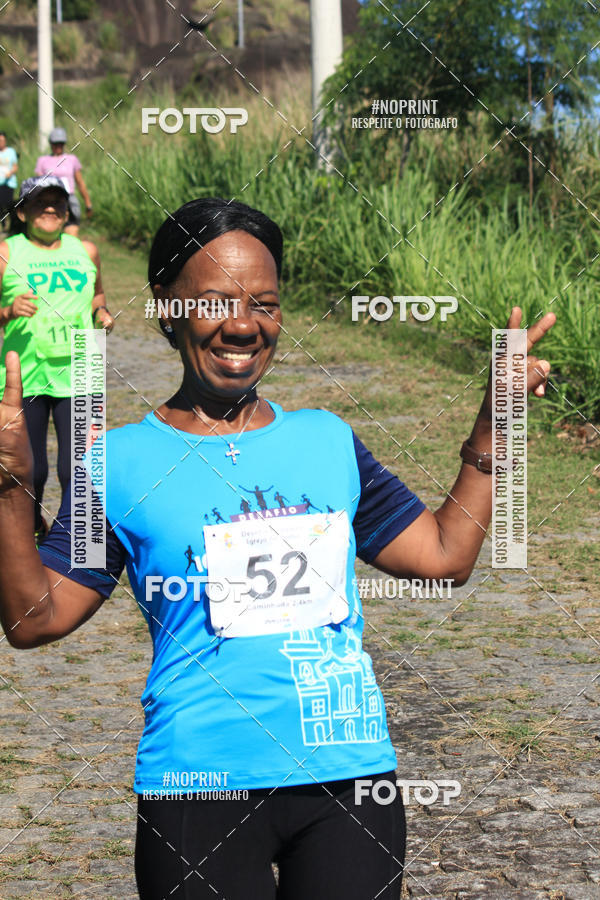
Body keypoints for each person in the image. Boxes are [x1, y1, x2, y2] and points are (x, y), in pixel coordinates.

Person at [0, 198, 555, 899]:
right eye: (214, 300)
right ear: (166, 306)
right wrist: (11, 486)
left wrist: (493, 421)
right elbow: (33, 618)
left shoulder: (327, 441)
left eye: (264, 302)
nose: (243, 324)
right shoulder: (116, 463)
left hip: (350, 782)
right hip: (196, 788)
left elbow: (445, 555)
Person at [0, 176, 114, 542]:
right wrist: (8, 310)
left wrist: (102, 313)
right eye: (39, 203)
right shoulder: (6, 251)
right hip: (26, 372)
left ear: (67, 211)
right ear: (21, 212)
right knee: (31, 469)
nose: (50, 209)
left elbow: (98, 296)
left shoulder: (87, 250)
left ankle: (79, 543)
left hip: (83, 366)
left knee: (79, 469)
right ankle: (31, 533)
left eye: (57, 203)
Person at [34, 127, 92, 237]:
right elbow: (38, 184)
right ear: (51, 144)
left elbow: (80, 182)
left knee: (71, 235)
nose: (58, 146)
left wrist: (88, 203)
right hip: (49, 200)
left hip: (69, 199)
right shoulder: (43, 160)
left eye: (60, 143)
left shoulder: (71, 159)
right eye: (55, 144)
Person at [0, 132, 18, 231]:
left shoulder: (11, 152)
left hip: (9, 183)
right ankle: (3, 225)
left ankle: (11, 225)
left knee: (8, 204)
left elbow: (15, 166)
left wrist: (10, 173)